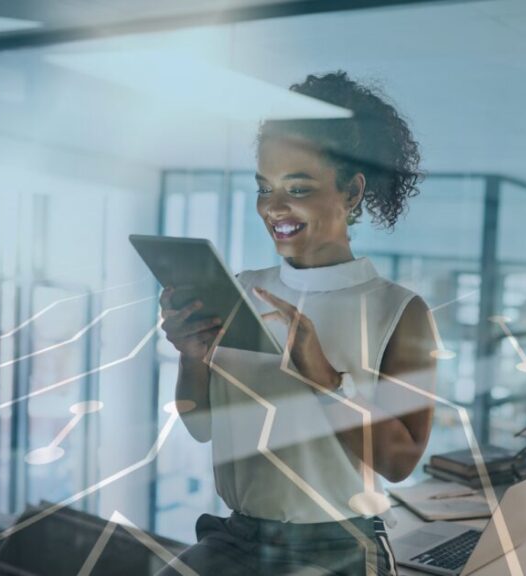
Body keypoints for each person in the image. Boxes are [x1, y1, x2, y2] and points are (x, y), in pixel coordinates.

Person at [159, 71, 436, 575]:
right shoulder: (239, 288)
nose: (274, 207)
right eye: (265, 187)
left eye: (298, 187)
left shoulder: (397, 310)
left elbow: (400, 461)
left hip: (337, 549)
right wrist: (191, 357)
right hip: (238, 539)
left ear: (351, 193)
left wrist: (324, 381)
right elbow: (200, 424)